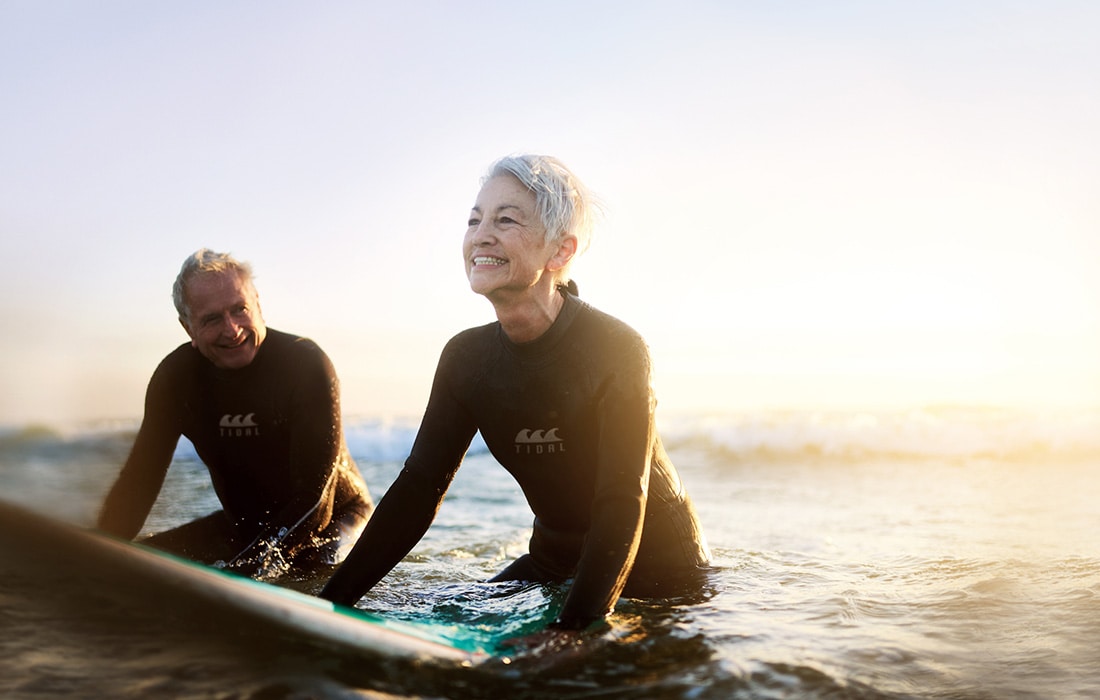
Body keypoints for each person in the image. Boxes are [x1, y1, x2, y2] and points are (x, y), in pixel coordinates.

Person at [320, 155, 711, 632]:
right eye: (474, 219)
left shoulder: (615, 349)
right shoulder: (467, 359)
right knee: (431, 609)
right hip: (551, 565)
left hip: (662, 573)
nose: (481, 234)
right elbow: (418, 490)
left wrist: (573, 633)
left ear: (560, 253)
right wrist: (333, 602)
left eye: (505, 219)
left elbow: (621, 499)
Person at [97, 249, 373, 578]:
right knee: (135, 561)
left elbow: (315, 502)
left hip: (335, 519)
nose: (232, 329)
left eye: (239, 310)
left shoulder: (304, 365)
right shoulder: (175, 380)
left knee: (310, 566)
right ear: (188, 328)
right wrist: (96, 552)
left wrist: (246, 570)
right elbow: (138, 483)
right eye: (212, 319)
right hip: (243, 527)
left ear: (258, 304)